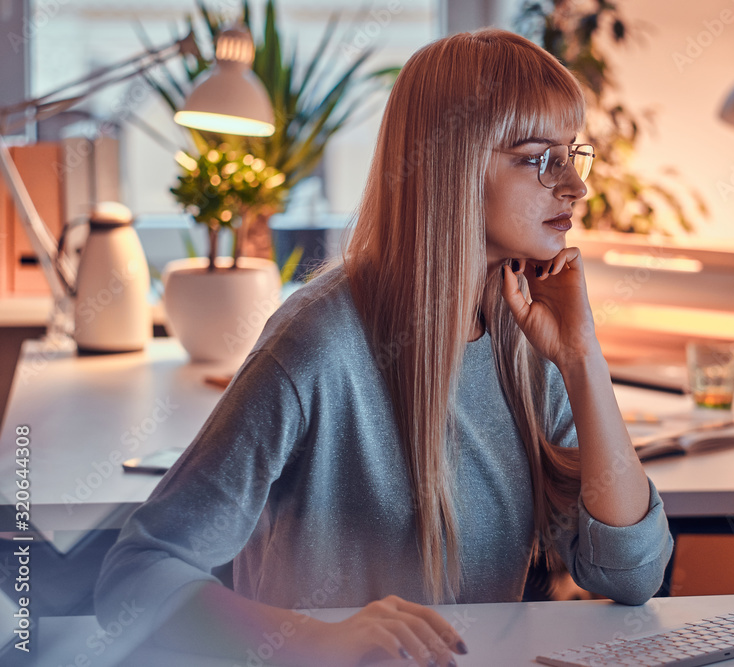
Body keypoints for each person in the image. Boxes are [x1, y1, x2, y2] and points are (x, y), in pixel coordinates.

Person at [94, 28, 672, 666]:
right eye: (539, 158)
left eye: (572, 155)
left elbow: (631, 574)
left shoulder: (528, 335)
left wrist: (583, 357)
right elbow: (136, 576)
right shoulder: (317, 342)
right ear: (453, 166)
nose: (574, 187)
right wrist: (317, 641)